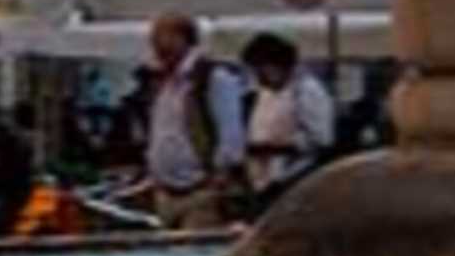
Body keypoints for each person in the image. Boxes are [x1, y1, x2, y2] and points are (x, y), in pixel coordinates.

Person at [142, 14, 246, 228]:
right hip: (165, 191)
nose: (157, 47)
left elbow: (231, 132)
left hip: (200, 191)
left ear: (184, 39)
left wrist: (220, 175)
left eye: (164, 38)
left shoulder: (213, 78)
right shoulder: (164, 83)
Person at [240, 34, 335, 204]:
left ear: (277, 65)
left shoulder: (307, 90)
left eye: (260, 70)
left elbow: (322, 140)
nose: (258, 77)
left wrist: (275, 148)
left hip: (293, 179)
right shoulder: (267, 93)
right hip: (264, 180)